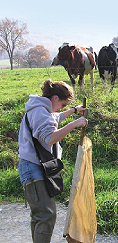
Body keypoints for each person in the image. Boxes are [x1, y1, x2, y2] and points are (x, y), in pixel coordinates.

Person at [18, 79, 88, 243]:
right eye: (63, 104)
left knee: (39, 216)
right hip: (33, 170)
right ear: (55, 98)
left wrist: (73, 110)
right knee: (47, 214)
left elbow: (55, 117)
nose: (62, 108)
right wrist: (75, 124)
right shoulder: (40, 112)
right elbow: (50, 137)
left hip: (32, 168)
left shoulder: (41, 109)